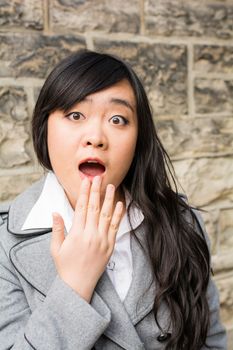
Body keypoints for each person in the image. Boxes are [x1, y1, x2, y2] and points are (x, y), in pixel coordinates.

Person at [0, 50, 227, 350]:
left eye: (118, 119)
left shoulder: (182, 223)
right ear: (44, 128)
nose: (95, 136)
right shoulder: (5, 244)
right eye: (75, 115)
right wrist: (74, 285)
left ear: (138, 139)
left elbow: (210, 342)